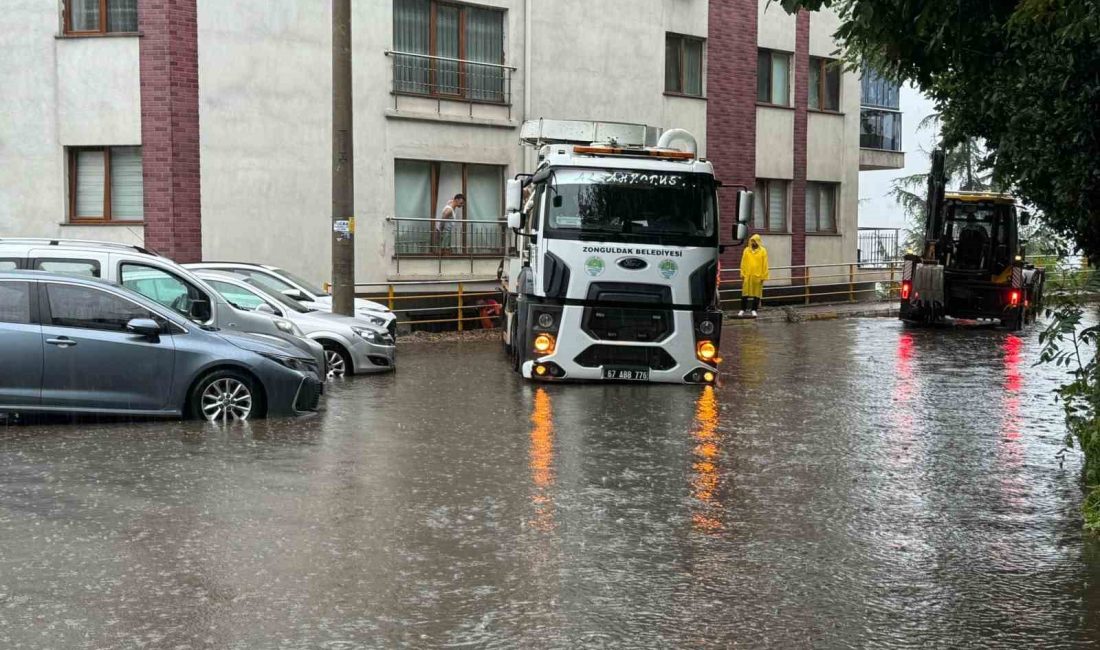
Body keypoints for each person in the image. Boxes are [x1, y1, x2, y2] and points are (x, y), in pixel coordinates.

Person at [739, 233, 769, 317]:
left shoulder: (763, 251)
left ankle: (754, 310)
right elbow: (743, 262)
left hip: (758, 276)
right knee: (745, 293)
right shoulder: (746, 250)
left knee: (757, 294)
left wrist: (764, 276)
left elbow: (765, 264)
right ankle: (742, 309)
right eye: (752, 241)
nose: (753, 243)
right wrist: (742, 273)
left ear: (758, 242)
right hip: (747, 275)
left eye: (755, 241)